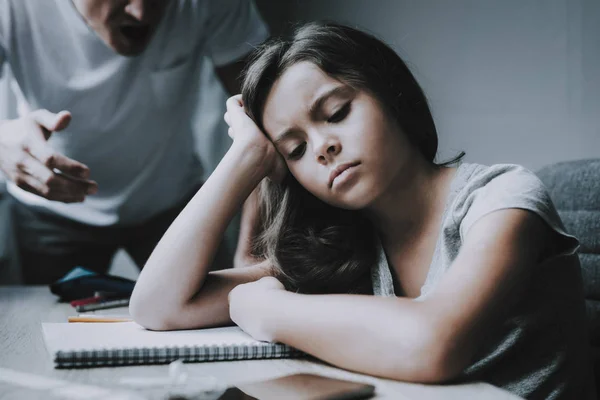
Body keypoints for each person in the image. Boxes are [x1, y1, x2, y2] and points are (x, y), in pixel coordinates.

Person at [129, 22, 595, 399]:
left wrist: (268, 309)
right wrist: (244, 159)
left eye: (335, 114)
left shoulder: (502, 197)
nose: (323, 147)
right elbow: (158, 306)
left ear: (391, 94)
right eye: (294, 150)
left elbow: (432, 347)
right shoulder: (344, 248)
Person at [0, 0, 269, 283]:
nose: (140, 13)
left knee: (218, 316)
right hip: (49, 210)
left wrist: (252, 248)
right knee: (40, 322)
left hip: (172, 202)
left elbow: (264, 119)